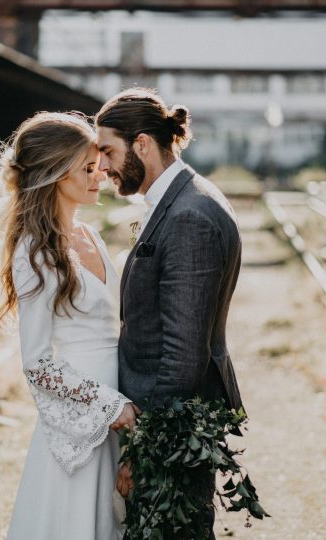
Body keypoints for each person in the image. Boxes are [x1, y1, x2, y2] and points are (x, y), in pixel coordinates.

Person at [95, 88, 244, 538]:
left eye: (108, 151)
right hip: (168, 416)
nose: (101, 167)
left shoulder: (187, 217)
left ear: (142, 145)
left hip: (172, 424)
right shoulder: (184, 198)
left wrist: (141, 451)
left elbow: (182, 356)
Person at [0, 111, 138, 539]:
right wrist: (108, 407)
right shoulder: (34, 253)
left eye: (99, 165)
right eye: (87, 169)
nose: (101, 175)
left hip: (121, 408)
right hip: (88, 419)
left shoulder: (89, 235)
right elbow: (37, 363)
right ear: (55, 174)